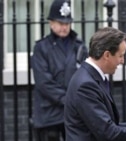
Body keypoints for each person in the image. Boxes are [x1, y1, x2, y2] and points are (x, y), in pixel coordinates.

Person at [64, 27, 126, 141]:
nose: (122, 61)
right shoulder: (86, 85)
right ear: (107, 55)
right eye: (120, 55)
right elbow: (107, 132)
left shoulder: (91, 77)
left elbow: (106, 125)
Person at [31, 0, 88, 141]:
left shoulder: (79, 46)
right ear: (51, 23)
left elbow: (86, 76)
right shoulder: (41, 48)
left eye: (67, 23)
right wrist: (67, 99)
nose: (64, 27)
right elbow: (44, 82)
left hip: (74, 114)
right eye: (61, 23)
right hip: (49, 114)